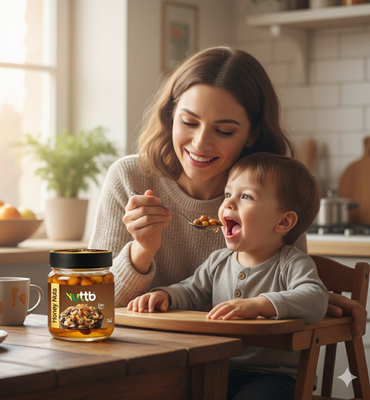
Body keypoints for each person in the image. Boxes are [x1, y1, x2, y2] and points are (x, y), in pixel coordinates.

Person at [88, 46, 366, 338]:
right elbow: (91, 305)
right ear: (170, 115)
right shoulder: (129, 177)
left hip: (232, 367)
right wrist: (141, 251)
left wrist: (310, 300)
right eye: (189, 122)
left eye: (224, 131)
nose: (200, 144)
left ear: (253, 133)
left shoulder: (272, 194)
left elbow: (285, 287)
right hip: (145, 358)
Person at [127, 152, 328, 400]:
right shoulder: (218, 261)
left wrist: (260, 305)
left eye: (245, 196)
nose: (228, 204)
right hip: (219, 366)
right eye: (227, 194)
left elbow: (315, 298)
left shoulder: (292, 263)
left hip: (274, 376)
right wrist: (164, 295)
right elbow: (191, 290)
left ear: (284, 221)